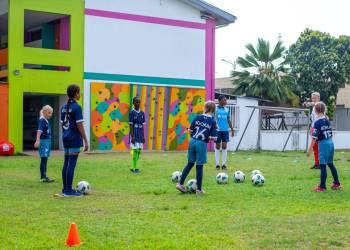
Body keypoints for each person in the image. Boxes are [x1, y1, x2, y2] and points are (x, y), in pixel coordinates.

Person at [176, 101, 217, 195]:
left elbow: (190, 131)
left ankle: (180, 183)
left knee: (190, 163)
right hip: (201, 143)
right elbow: (214, 138)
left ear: (205, 108)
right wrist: (209, 136)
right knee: (199, 166)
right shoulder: (212, 121)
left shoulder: (198, 117)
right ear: (213, 110)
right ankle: (199, 190)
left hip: (192, 141)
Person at [60, 84, 89, 196]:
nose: (80, 94)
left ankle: (65, 188)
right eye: (79, 92)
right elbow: (79, 125)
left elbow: (63, 123)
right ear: (76, 93)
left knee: (66, 162)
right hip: (74, 138)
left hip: (66, 137)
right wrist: (85, 140)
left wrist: (66, 135)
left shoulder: (63, 107)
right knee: (71, 164)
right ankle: (68, 191)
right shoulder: (77, 107)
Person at [307, 101, 341, 192]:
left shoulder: (317, 122)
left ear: (315, 111)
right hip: (330, 142)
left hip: (323, 144)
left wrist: (309, 150)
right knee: (330, 163)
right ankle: (336, 183)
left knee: (322, 165)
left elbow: (314, 138)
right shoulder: (326, 119)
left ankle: (322, 187)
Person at [34, 105, 55, 183]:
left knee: (45, 158)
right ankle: (43, 177)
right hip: (44, 141)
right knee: (44, 158)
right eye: (49, 113)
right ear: (45, 112)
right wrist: (37, 140)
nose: (50, 115)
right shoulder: (42, 120)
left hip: (47, 141)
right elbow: (39, 130)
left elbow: (41, 112)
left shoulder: (44, 119)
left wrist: (42, 112)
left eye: (51, 113)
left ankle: (44, 176)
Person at [214, 95, 234, 170]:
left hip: (225, 130)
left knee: (224, 146)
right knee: (218, 146)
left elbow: (228, 120)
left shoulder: (226, 109)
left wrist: (232, 129)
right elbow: (213, 119)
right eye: (224, 100)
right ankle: (217, 164)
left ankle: (224, 164)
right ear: (220, 101)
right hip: (217, 131)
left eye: (226, 100)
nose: (226, 101)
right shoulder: (215, 109)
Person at [304, 92, 321, 169]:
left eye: (315, 98)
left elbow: (314, 104)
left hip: (318, 129)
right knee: (315, 147)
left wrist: (309, 103)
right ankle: (317, 163)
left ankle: (320, 163)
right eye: (312, 98)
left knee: (319, 146)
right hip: (314, 128)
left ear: (318, 98)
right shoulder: (314, 108)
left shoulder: (320, 105)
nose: (313, 99)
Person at [129, 96, 145, 173]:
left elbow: (143, 126)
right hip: (134, 133)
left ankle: (134, 166)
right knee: (135, 151)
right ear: (133, 103)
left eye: (139, 102)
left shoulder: (142, 113)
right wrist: (132, 136)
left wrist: (143, 136)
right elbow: (131, 125)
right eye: (136, 102)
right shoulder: (132, 112)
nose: (138, 103)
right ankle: (134, 168)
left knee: (139, 150)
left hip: (140, 133)